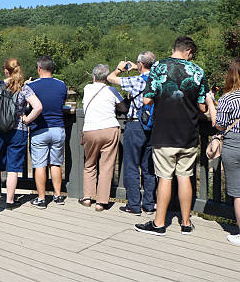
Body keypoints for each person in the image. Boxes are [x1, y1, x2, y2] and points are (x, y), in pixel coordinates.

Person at [135, 36, 208, 236]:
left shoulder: (159, 67)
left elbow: (147, 99)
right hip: (189, 133)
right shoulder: (198, 71)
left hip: (164, 133)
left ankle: (159, 224)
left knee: (165, 177)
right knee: (185, 176)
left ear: (175, 48)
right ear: (189, 52)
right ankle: (185, 223)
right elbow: (202, 106)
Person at [0, 58, 42, 209]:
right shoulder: (23, 87)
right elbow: (38, 107)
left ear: (6, 70)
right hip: (18, 130)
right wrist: (27, 120)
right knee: (13, 168)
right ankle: (10, 200)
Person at [107, 52, 157, 216]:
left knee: (131, 165)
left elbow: (110, 78)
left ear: (140, 64)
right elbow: (154, 67)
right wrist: (139, 66)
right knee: (149, 167)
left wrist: (119, 69)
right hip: (153, 127)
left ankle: (134, 205)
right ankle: (149, 205)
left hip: (135, 125)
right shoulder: (158, 79)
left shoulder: (136, 80)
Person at [26, 56, 69, 208]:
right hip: (58, 128)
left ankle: (42, 199)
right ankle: (58, 196)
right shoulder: (61, 85)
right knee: (56, 164)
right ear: (53, 69)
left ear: (39, 69)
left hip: (40, 130)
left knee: (40, 165)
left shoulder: (31, 86)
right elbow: (62, 102)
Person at [80, 64, 123, 211]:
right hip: (110, 128)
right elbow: (124, 107)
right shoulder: (112, 90)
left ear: (93, 76)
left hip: (90, 130)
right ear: (106, 77)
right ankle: (101, 202)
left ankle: (87, 197)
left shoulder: (87, 88)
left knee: (90, 164)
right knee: (106, 166)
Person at [215, 58, 240, 245]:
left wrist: (209, 102)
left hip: (234, 145)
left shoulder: (227, 98)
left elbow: (220, 125)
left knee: (238, 192)